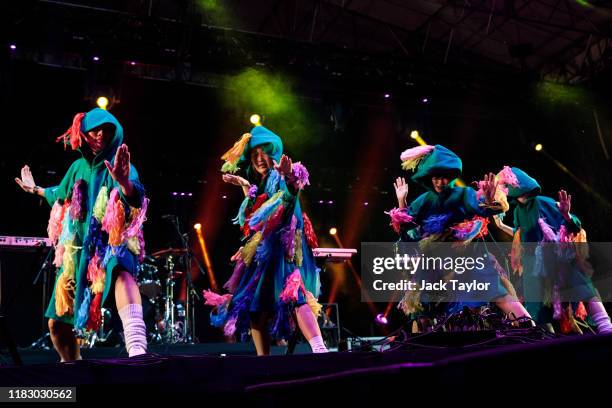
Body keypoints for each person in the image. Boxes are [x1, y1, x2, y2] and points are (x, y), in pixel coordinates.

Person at [15, 108, 149, 360]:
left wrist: (124, 182)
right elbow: (60, 193)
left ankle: (137, 348)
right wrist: (36, 190)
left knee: (120, 271)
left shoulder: (121, 163)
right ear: (83, 134)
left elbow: (135, 196)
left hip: (111, 243)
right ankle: (73, 370)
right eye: (94, 130)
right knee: (56, 323)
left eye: (107, 130)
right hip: (78, 251)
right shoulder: (77, 167)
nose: (100, 135)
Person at [203, 126, 328, 355]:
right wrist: (244, 186)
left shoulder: (281, 175)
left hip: (283, 249)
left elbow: (290, 198)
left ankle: (320, 350)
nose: (259, 158)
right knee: (253, 305)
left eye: (264, 152)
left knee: (296, 297)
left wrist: (290, 177)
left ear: (274, 152)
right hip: (264, 252)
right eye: (254, 154)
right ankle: (263, 361)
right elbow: (255, 220)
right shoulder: (258, 184)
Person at [387, 145, 531, 326]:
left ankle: (533, 333)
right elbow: (408, 229)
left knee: (497, 293)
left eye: (444, 177)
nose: (440, 182)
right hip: (437, 264)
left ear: (452, 176)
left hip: (469, 260)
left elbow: (481, 207)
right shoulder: (424, 201)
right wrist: (402, 202)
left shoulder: (463, 194)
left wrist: (487, 202)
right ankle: (423, 350)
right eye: (436, 177)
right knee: (421, 310)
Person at [493, 166, 612, 334]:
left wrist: (566, 215)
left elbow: (575, 226)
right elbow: (520, 235)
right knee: (536, 307)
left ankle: (606, 327)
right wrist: (500, 225)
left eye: (505, 186)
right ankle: (546, 340)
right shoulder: (519, 211)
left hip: (557, 258)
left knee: (581, 286)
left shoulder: (543, 202)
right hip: (535, 265)